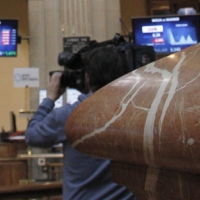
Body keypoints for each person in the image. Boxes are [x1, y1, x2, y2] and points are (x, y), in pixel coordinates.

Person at [26, 46, 135, 200]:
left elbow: (32, 136)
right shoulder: (138, 112)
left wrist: (49, 99)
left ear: (88, 77)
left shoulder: (69, 115)